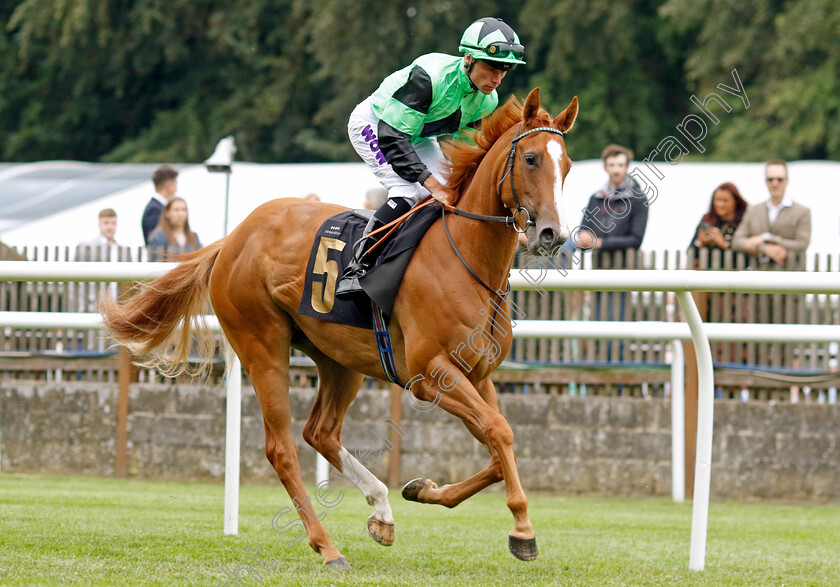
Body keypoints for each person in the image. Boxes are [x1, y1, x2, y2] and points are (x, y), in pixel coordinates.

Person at [336, 16, 526, 296]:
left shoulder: (488, 100)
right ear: (468, 58)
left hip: (418, 136)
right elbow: (393, 137)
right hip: (376, 125)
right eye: (490, 68)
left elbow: (468, 153)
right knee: (408, 190)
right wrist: (430, 183)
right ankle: (358, 266)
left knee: (453, 193)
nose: (497, 79)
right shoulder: (430, 76)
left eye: (505, 70)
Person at [568, 144, 648, 264]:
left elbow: (635, 240)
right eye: (612, 165)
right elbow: (583, 231)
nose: (616, 170)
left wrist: (599, 243)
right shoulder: (596, 198)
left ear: (627, 167)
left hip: (628, 268)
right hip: (598, 266)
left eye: (620, 165)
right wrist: (584, 238)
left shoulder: (638, 198)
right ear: (605, 167)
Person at [732, 159, 811, 269]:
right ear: (765, 182)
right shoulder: (753, 210)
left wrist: (769, 238)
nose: (775, 183)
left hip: (791, 278)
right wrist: (764, 248)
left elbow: (802, 245)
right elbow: (737, 241)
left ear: (787, 181)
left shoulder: (802, 212)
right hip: (757, 277)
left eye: (779, 179)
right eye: (770, 179)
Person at [689, 182, 748, 253]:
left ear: (735, 202)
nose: (721, 205)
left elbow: (746, 253)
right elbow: (690, 252)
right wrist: (700, 242)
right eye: (718, 200)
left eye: (725, 201)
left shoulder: (743, 222)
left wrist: (724, 245)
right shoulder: (707, 219)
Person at [147, 197, 202, 262]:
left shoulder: (193, 237)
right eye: (176, 210)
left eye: (184, 210)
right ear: (167, 213)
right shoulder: (159, 236)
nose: (180, 214)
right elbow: (156, 263)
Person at [142, 165, 178, 246]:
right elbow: (154, 241)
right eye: (176, 184)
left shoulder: (157, 206)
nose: (177, 189)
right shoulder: (154, 209)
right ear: (168, 185)